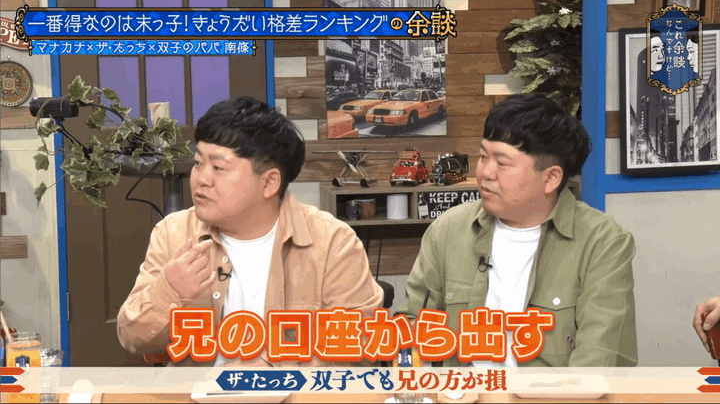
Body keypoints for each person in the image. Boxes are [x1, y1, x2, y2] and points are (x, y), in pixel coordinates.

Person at [117, 96, 384, 367]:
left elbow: (360, 349)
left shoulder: (332, 243)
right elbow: (132, 338)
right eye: (198, 163)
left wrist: (271, 371)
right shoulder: (173, 233)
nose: (201, 179)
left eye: (218, 167)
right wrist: (169, 291)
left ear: (269, 183)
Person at [396, 94, 638, 367]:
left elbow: (596, 360)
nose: (485, 173)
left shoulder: (603, 243)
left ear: (551, 178)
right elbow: (412, 328)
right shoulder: (447, 231)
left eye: (502, 163)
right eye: (483, 156)